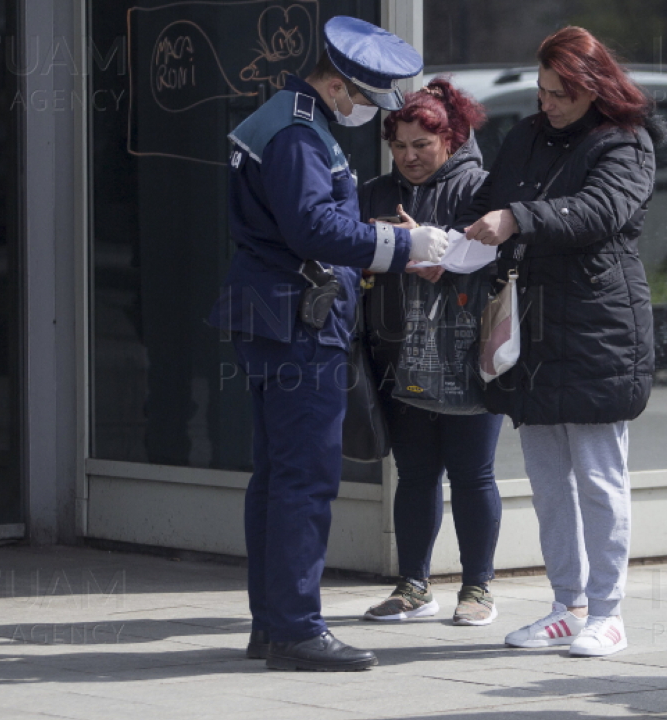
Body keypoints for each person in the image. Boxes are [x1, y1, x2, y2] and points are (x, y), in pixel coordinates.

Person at [207, 16, 447, 671]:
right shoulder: (297, 132)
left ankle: (273, 624)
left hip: (279, 314)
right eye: (369, 99)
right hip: (296, 323)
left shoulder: (294, 120)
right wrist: (404, 244)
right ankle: (294, 629)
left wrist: (374, 235)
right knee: (305, 481)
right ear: (340, 85)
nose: (371, 112)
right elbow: (312, 229)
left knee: (280, 477)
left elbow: (309, 222)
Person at [458, 26, 662, 657]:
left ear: (592, 88)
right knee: (548, 482)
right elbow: (490, 200)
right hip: (533, 332)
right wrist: (448, 244)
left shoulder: (626, 142)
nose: (547, 103)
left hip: (599, 331)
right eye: (543, 91)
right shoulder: (524, 136)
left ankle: (608, 611)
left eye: (560, 94)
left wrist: (518, 218)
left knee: (600, 479)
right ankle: (567, 605)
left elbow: (600, 211)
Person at [357, 79, 504, 626]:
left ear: (450, 138)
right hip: (396, 348)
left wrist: (439, 247)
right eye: (399, 146)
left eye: (423, 144)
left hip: (469, 351)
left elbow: (503, 255)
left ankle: (478, 588)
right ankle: (413, 586)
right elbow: (350, 253)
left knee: (473, 473)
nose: (410, 157)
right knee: (414, 472)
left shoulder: (481, 188)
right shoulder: (374, 190)